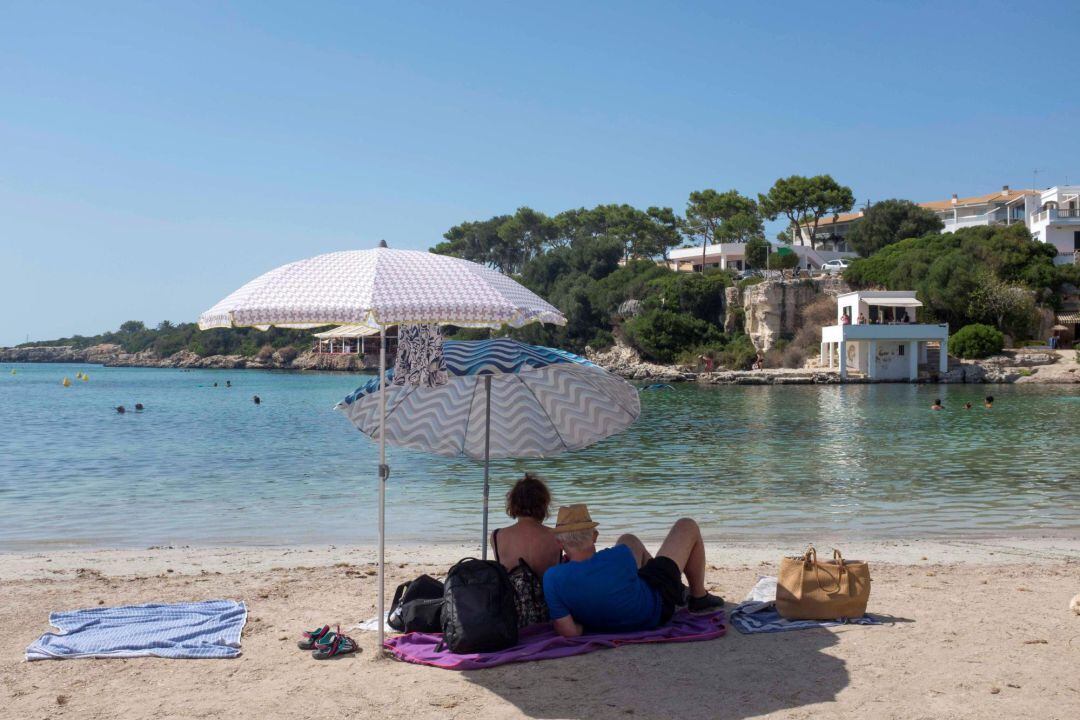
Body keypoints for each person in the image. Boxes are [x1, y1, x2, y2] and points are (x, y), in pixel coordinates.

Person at [543, 504, 724, 637]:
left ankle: (680, 590)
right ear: (595, 536)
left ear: (559, 542)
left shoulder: (552, 579)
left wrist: (589, 626)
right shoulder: (619, 556)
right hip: (655, 611)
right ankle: (699, 597)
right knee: (687, 525)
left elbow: (569, 632)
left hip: (606, 620)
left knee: (628, 538)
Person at [491, 474, 562, 628]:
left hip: (512, 615)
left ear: (513, 503)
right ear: (544, 504)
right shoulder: (557, 537)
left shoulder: (497, 536)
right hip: (549, 613)